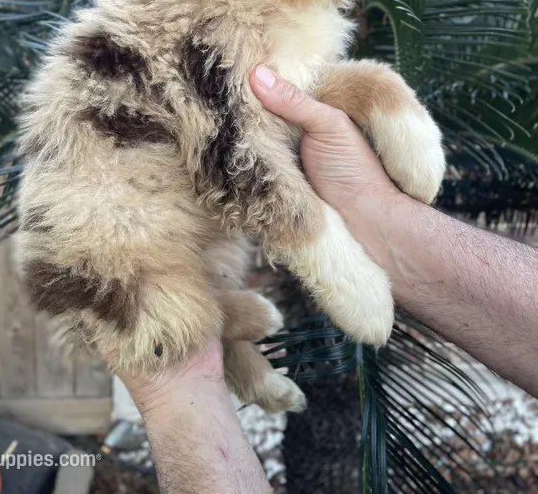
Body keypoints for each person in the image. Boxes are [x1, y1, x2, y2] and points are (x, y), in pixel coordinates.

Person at [114, 66, 538, 494]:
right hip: (128, 216)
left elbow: (279, 109)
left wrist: (372, 199)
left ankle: (218, 354)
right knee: (176, 316)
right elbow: (236, 141)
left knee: (199, 305)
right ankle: (223, 354)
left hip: (180, 215)